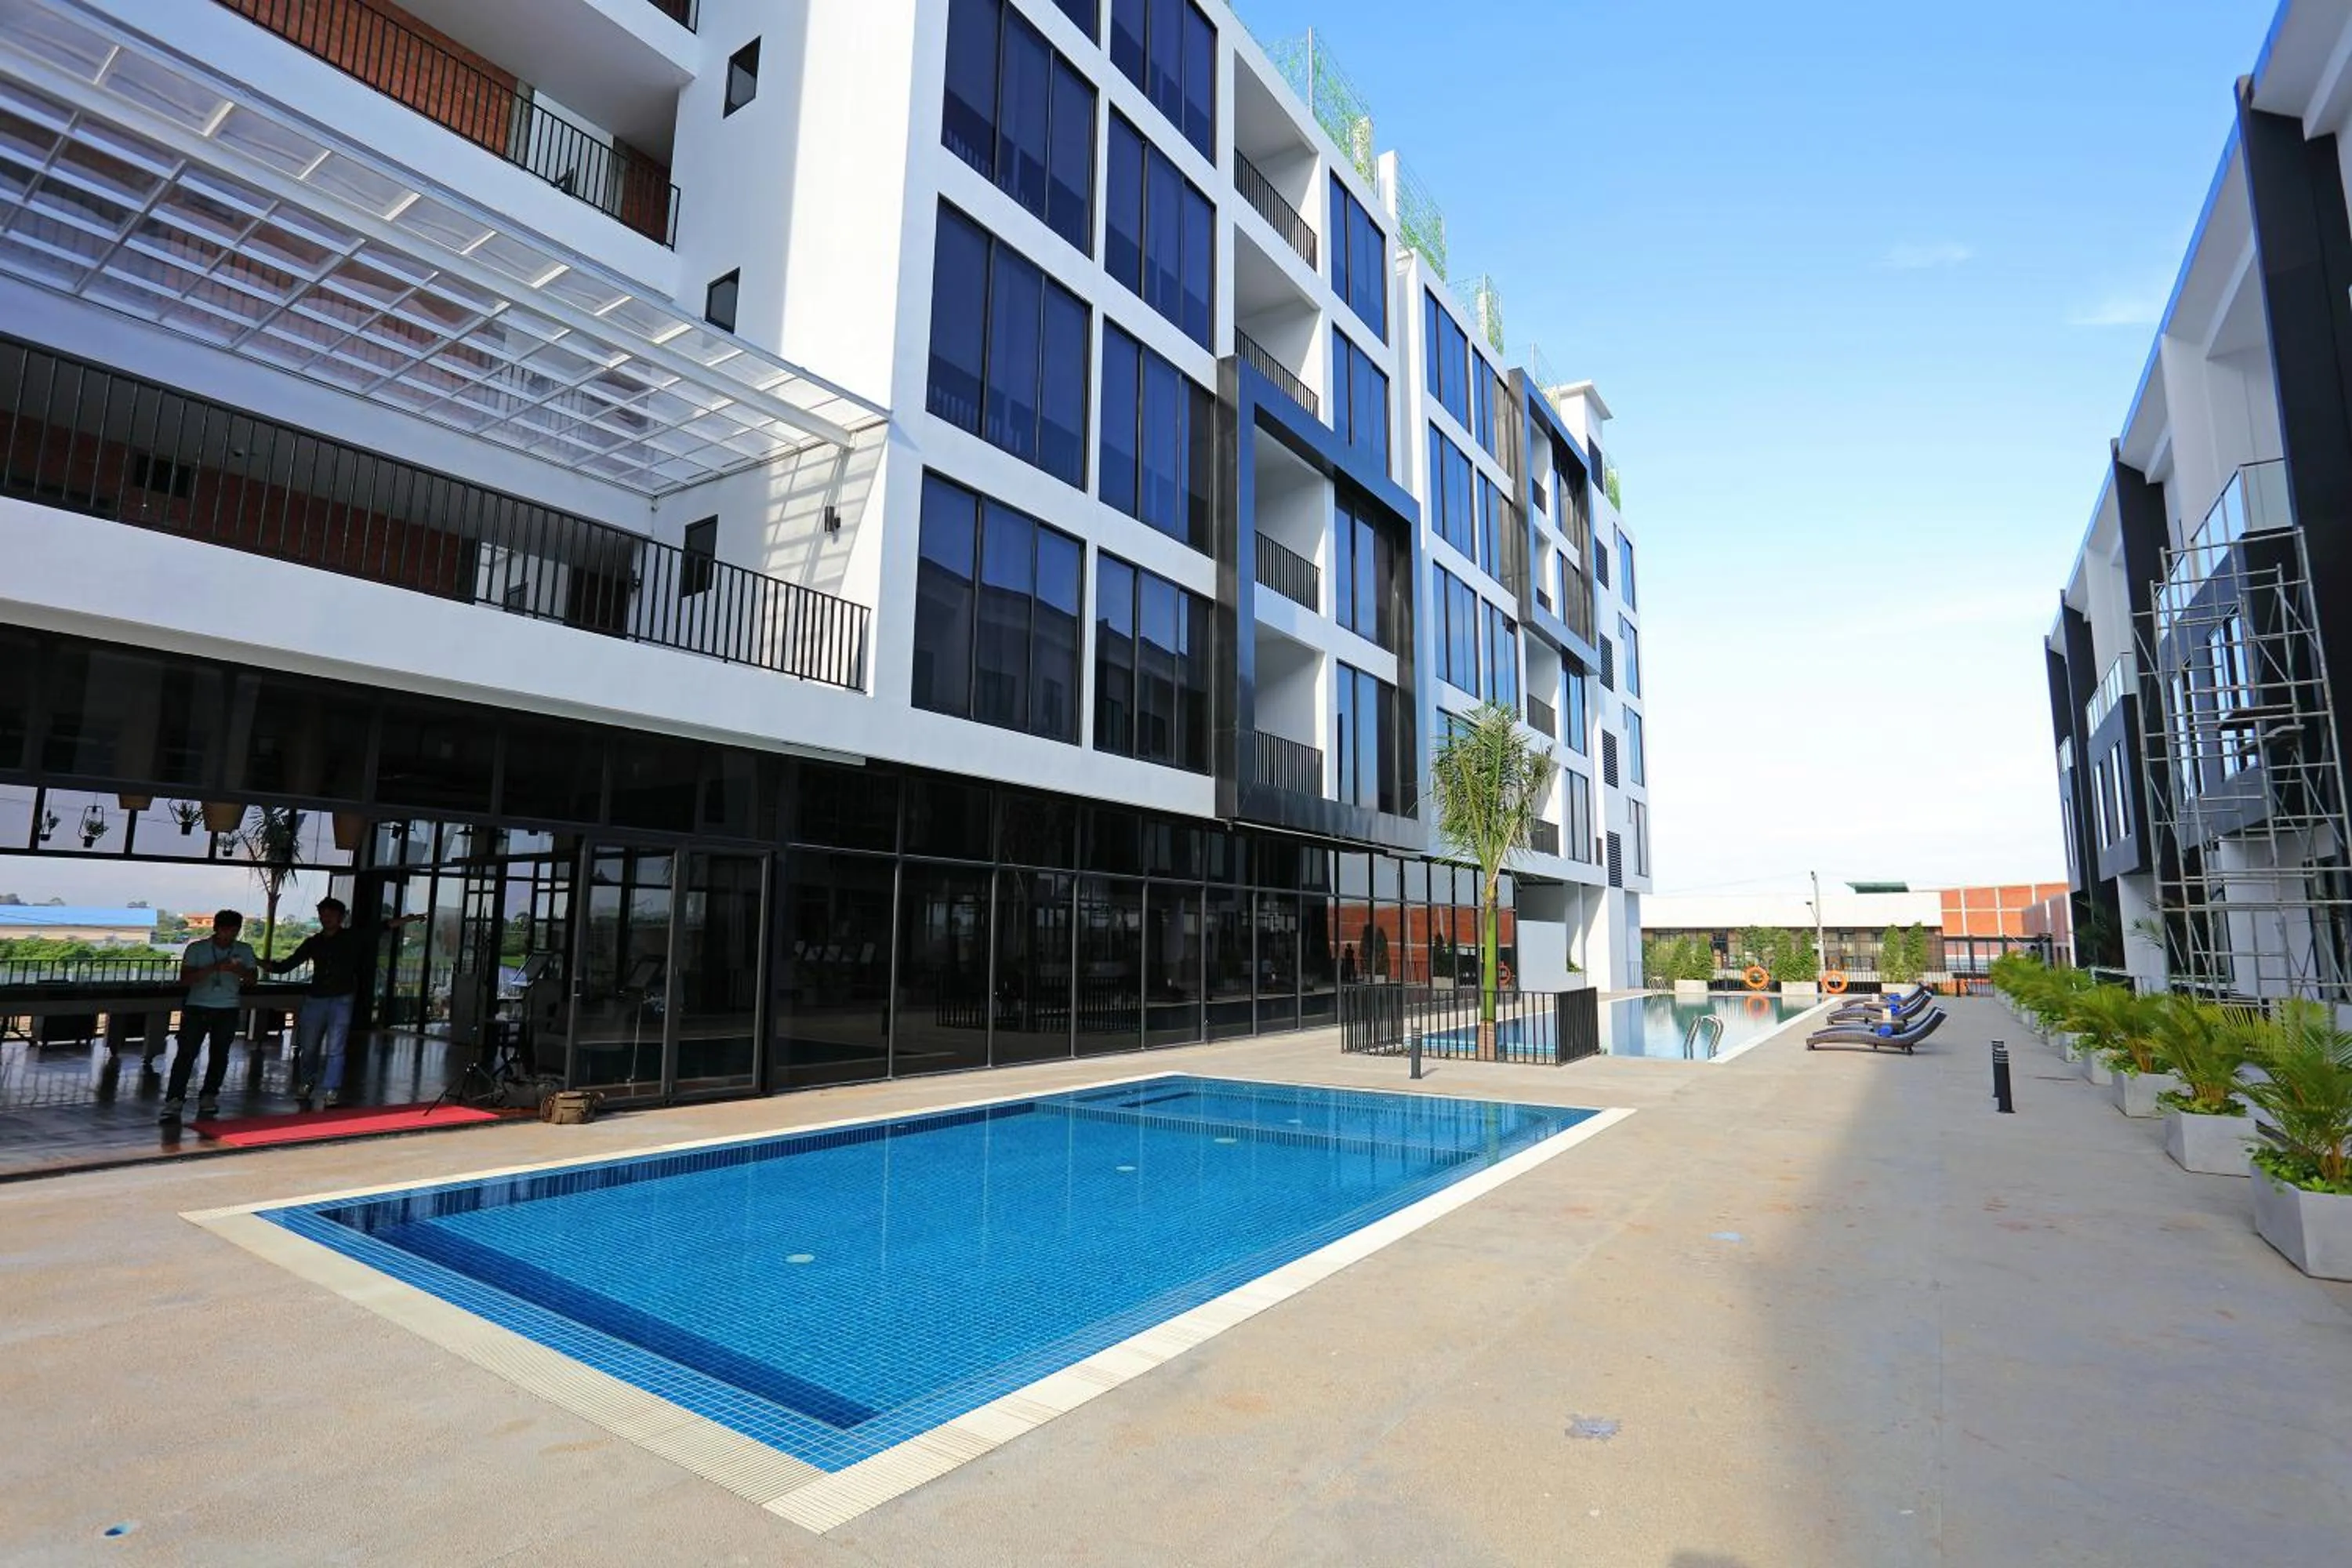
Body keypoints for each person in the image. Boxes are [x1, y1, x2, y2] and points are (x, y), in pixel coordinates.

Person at [263, 898, 424, 1107]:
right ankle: (307, 1081)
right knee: (309, 1047)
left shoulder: (352, 937)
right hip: (316, 998)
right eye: (323, 915)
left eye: (330, 915)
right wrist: (259, 963)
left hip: (342, 998)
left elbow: (382, 927)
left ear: (341, 917)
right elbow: (286, 965)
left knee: (335, 1048)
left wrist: (408, 920)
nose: (326, 919)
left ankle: (331, 1089)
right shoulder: (313, 942)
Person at [164, 909, 258, 1122]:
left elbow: (253, 980)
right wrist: (214, 968)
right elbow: (186, 979)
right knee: (186, 1054)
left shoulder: (244, 950)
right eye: (225, 930)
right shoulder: (197, 948)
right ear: (216, 929)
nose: (229, 936)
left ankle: (209, 1095)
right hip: (197, 1006)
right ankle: (175, 1099)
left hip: (228, 1007)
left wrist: (239, 971)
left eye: (234, 931)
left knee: (220, 1054)